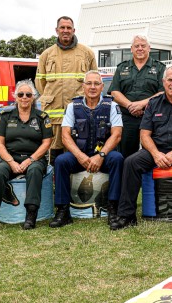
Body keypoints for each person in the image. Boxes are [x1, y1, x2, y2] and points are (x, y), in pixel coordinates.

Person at [111, 66, 172, 233]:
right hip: (156, 149)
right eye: (169, 80)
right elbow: (145, 135)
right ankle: (127, 215)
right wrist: (156, 154)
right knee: (131, 162)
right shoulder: (153, 104)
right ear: (163, 82)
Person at [50, 71, 124, 227]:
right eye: (89, 83)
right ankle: (63, 211)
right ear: (83, 86)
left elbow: (116, 135)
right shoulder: (72, 106)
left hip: (104, 155)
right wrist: (80, 156)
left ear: (102, 87)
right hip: (79, 156)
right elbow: (65, 136)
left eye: (96, 84)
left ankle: (113, 208)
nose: (92, 87)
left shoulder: (112, 106)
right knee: (61, 161)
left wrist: (101, 155)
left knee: (117, 159)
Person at [0, 80, 52, 231]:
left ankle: (31, 215)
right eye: (21, 94)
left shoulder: (42, 117)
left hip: (35, 158)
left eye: (28, 94)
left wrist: (31, 159)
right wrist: (11, 162)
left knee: (34, 171)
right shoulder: (5, 116)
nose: (24, 97)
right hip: (9, 157)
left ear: (33, 97)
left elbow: (46, 143)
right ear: (15, 97)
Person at [35, 16, 98, 162]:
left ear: (74, 30)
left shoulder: (87, 53)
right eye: (62, 28)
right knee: (54, 149)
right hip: (54, 115)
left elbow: (94, 80)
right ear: (57, 30)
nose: (65, 31)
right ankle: (56, 182)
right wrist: (53, 96)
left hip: (80, 114)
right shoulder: (46, 55)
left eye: (68, 28)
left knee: (78, 148)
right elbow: (40, 83)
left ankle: (76, 184)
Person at [108, 35, 166, 158]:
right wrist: (130, 106)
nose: (140, 48)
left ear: (149, 48)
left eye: (143, 46)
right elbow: (114, 91)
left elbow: (163, 92)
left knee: (151, 154)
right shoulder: (122, 67)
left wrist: (142, 104)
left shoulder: (160, 68)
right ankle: (126, 177)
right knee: (125, 154)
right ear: (131, 49)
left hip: (152, 118)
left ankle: (147, 178)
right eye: (136, 46)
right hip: (127, 119)